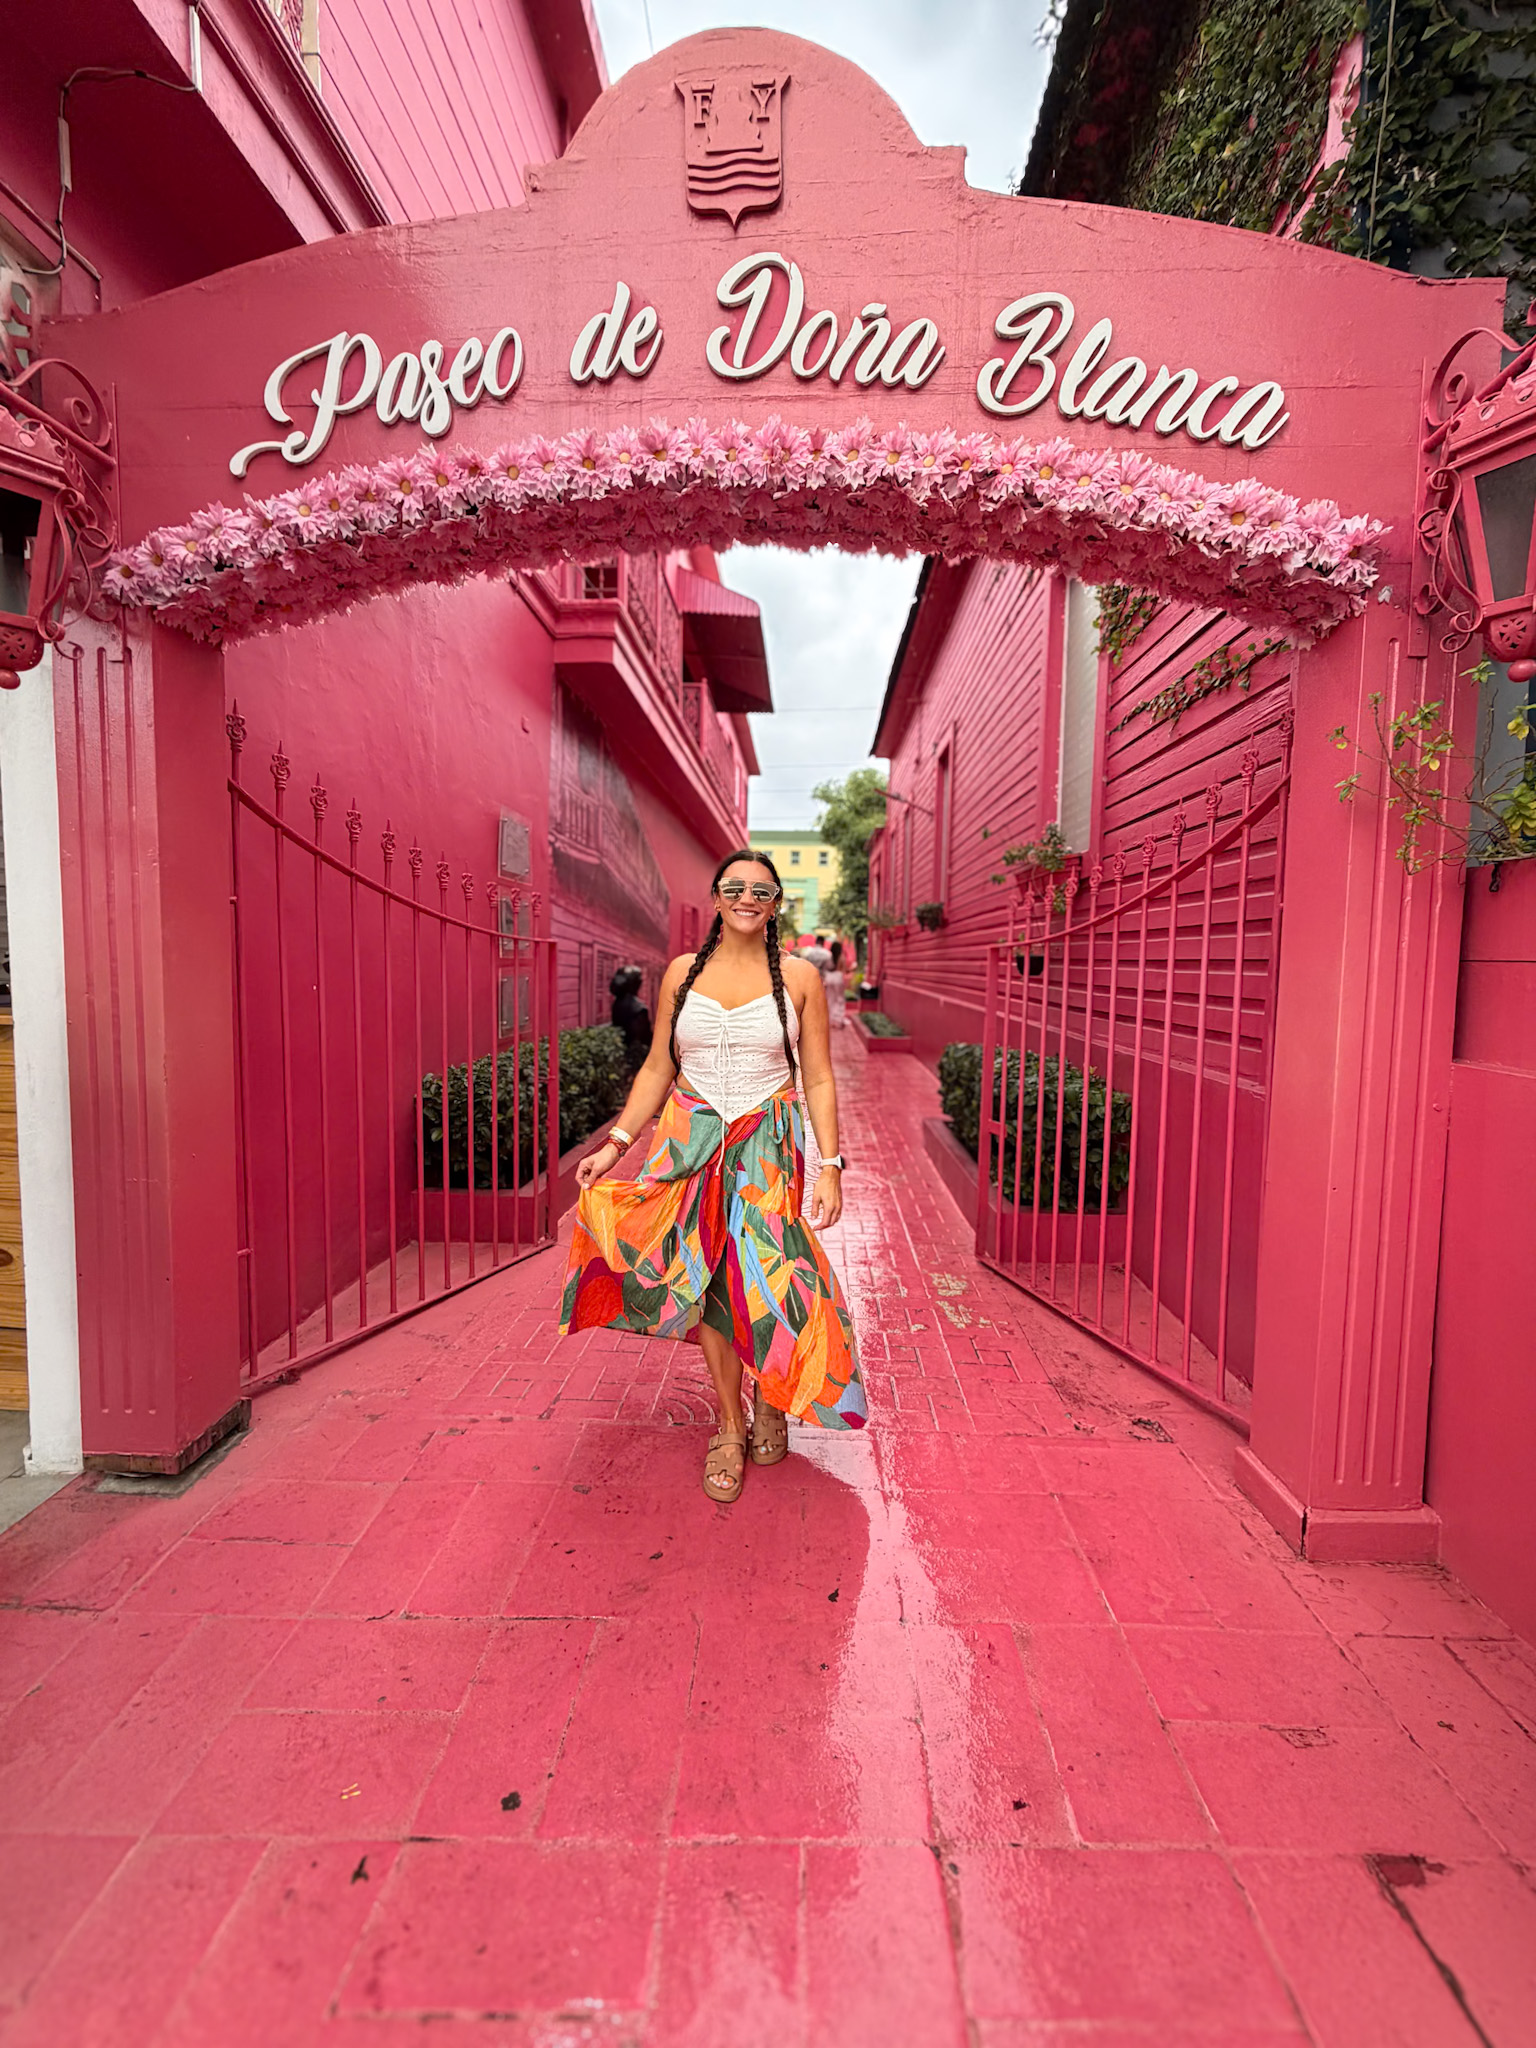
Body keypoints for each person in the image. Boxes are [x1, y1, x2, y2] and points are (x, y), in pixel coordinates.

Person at [561, 849, 866, 1502]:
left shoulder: (801, 978)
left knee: (771, 1278)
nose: (748, 897)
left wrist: (833, 1167)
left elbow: (816, 1076)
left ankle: (775, 1398)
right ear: (717, 896)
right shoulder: (680, 974)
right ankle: (730, 1424)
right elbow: (656, 1068)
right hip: (689, 1142)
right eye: (736, 887)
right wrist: (616, 1143)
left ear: (777, 902)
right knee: (711, 1281)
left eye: (762, 889)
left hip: (768, 1145)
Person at [608, 964, 651, 1076]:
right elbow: (643, 1038)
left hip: (621, 1054)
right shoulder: (639, 1008)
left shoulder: (617, 1004)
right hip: (633, 1059)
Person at [824, 939, 847, 1029]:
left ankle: (830, 1020)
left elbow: (826, 968)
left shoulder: (828, 957)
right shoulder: (841, 957)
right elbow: (843, 970)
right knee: (839, 999)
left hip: (829, 977)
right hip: (838, 977)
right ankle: (838, 1020)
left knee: (830, 999)